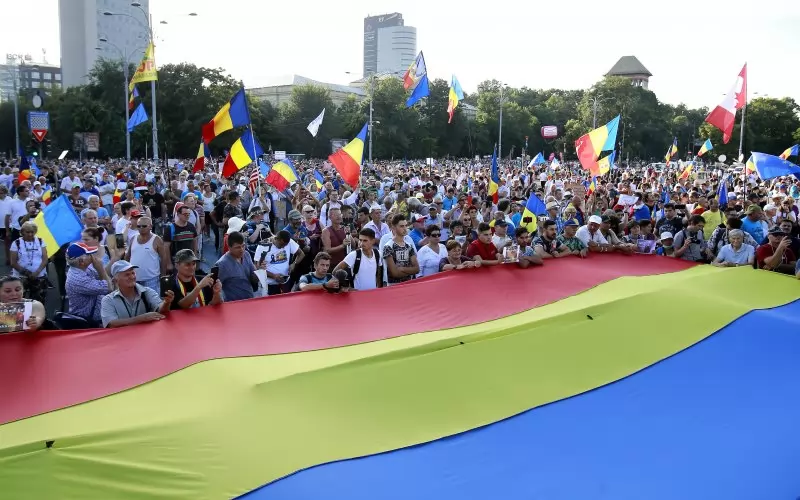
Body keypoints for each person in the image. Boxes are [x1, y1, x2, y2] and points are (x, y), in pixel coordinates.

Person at [101, 260, 173, 328]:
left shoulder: (147, 291)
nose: (132, 277)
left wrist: (166, 302)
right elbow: (111, 324)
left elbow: (161, 312)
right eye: (127, 275)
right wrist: (142, 318)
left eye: (133, 273)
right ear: (115, 280)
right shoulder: (108, 300)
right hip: (123, 336)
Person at [65, 242, 113, 326]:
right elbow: (109, 288)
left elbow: (103, 276)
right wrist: (100, 268)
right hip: (88, 322)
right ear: (81, 261)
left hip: (93, 317)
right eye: (89, 254)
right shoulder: (79, 279)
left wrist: (114, 259)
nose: (93, 256)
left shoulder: (82, 268)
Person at [216, 231, 261, 302]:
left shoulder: (246, 255)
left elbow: (254, 279)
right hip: (233, 304)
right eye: (238, 247)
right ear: (229, 247)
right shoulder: (222, 264)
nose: (242, 250)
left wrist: (259, 271)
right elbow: (214, 289)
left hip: (250, 300)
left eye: (243, 246)